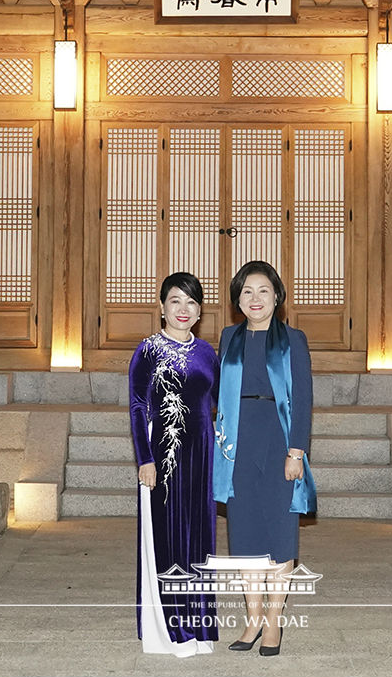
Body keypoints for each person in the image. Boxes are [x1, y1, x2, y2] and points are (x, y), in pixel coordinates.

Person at [213, 260, 316, 657]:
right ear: (238, 300)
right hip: (238, 442)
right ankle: (252, 618)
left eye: (263, 291)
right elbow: (219, 392)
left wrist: (296, 450)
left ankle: (274, 622)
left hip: (278, 440)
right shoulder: (229, 337)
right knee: (244, 535)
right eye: (246, 292)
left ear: (277, 296)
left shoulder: (293, 339)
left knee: (279, 531)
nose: (255, 299)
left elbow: (303, 397)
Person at [129, 272, 219, 657]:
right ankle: (170, 632)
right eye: (176, 301)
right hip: (162, 456)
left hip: (202, 456)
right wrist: (144, 459)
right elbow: (136, 407)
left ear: (199, 311)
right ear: (162, 306)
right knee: (167, 537)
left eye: (192, 302)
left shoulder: (207, 353)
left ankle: (198, 627)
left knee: (199, 538)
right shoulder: (147, 350)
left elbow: (217, 405)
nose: (184, 309)